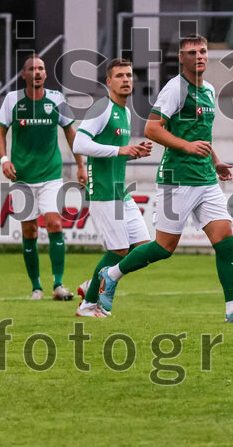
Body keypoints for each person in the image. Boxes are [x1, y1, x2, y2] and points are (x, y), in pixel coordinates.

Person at [96, 34, 233, 324]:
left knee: (225, 241)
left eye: (203, 51)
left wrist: (216, 161)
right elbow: (151, 128)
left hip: (206, 179)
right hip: (177, 178)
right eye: (192, 52)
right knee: (163, 248)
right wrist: (187, 147)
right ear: (181, 59)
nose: (199, 56)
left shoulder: (209, 90)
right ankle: (111, 275)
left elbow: (202, 137)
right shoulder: (175, 89)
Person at [0, 55, 86, 301]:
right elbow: (0, 134)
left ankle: (58, 285)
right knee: (30, 231)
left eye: (41, 68)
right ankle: (36, 287)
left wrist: (80, 165)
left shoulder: (57, 100)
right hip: (22, 175)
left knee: (55, 223)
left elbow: (70, 133)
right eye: (32, 69)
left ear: (46, 74)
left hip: (50, 174)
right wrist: (5, 160)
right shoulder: (12, 100)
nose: (37, 72)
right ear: (23, 74)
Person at [72, 58, 154, 318]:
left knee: (143, 247)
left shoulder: (126, 112)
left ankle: (92, 284)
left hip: (121, 191)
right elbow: (80, 145)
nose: (126, 79)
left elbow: (113, 152)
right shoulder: (102, 107)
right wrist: (121, 149)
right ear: (109, 82)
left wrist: (132, 153)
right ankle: (87, 305)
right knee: (118, 251)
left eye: (129, 75)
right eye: (119, 76)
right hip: (104, 192)